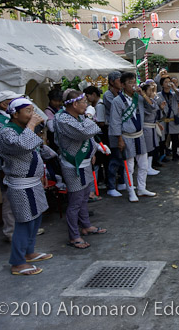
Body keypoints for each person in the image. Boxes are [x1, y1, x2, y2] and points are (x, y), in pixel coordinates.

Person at [0, 97, 53, 275]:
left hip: (33, 182)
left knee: (36, 218)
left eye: (32, 110)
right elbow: (22, 146)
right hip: (21, 185)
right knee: (24, 222)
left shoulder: (23, 129)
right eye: (28, 111)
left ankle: (29, 252)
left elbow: (37, 149)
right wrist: (31, 125)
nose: (32, 114)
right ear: (15, 114)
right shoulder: (7, 132)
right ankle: (17, 262)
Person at [54, 89, 108, 249]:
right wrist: (90, 116)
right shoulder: (64, 119)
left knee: (84, 197)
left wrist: (96, 148)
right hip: (73, 165)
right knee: (75, 201)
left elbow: (89, 136)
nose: (87, 104)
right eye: (84, 102)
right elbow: (85, 132)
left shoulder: (76, 116)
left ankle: (86, 225)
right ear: (75, 104)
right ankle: (74, 236)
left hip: (84, 163)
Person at [109, 72, 156, 202]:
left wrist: (144, 94)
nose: (133, 85)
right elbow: (115, 121)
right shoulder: (117, 101)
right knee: (129, 167)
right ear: (123, 85)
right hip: (126, 136)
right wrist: (119, 139)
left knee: (143, 164)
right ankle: (131, 191)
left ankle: (142, 188)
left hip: (140, 135)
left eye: (134, 82)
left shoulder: (139, 97)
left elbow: (152, 108)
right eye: (130, 83)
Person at [0, 90, 24, 241]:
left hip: (18, 166)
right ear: (4, 104)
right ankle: (10, 232)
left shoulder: (11, 119)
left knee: (20, 198)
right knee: (9, 200)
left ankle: (22, 229)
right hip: (6, 168)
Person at [103, 71, 126, 197]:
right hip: (112, 130)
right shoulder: (108, 95)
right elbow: (120, 108)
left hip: (123, 129)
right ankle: (111, 186)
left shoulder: (121, 93)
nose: (121, 82)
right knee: (115, 158)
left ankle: (122, 182)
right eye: (119, 79)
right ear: (112, 82)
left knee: (123, 158)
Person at [141, 81, 163, 175]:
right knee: (148, 148)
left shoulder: (150, 99)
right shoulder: (143, 101)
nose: (151, 92)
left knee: (152, 147)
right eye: (149, 90)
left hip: (152, 126)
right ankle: (147, 168)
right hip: (146, 126)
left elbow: (155, 107)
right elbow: (151, 107)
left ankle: (149, 167)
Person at [158, 76, 179, 161]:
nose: (168, 83)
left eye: (169, 81)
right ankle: (162, 155)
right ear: (162, 84)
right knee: (162, 140)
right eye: (165, 82)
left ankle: (175, 154)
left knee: (175, 138)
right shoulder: (158, 95)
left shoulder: (175, 94)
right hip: (163, 120)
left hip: (173, 120)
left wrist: (175, 88)